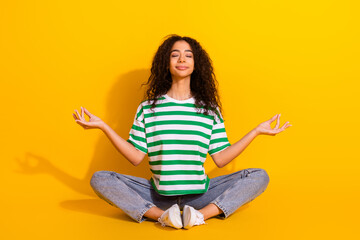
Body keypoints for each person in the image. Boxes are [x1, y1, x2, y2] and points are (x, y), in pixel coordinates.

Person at [72, 34, 292, 229]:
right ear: (165, 63)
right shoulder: (149, 109)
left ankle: (197, 216)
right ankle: (163, 217)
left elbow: (221, 159)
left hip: (201, 196)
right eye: (174, 55)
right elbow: (135, 157)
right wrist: (103, 126)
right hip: (157, 195)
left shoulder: (208, 110)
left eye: (188, 55)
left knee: (258, 176)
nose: (181, 59)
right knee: (101, 179)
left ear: (196, 64)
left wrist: (256, 132)